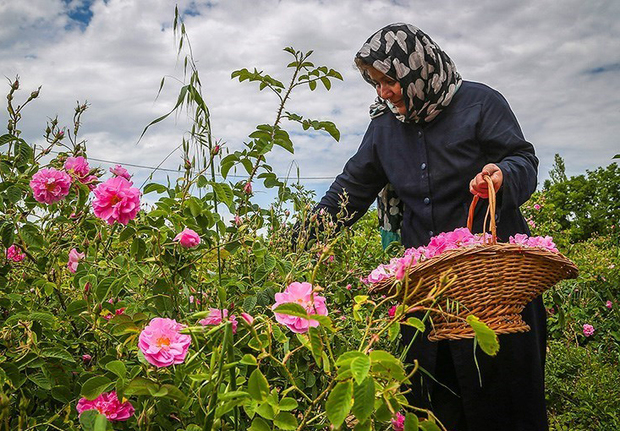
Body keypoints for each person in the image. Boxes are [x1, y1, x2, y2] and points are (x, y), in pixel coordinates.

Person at [316, 23, 545, 430]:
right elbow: (349, 191)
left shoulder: (480, 103)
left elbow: (522, 160)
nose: (383, 92)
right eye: (375, 83)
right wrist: (302, 241)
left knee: (505, 402)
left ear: (416, 67)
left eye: (389, 80)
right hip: (427, 297)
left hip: (494, 290)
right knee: (435, 404)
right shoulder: (384, 128)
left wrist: (500, 175)